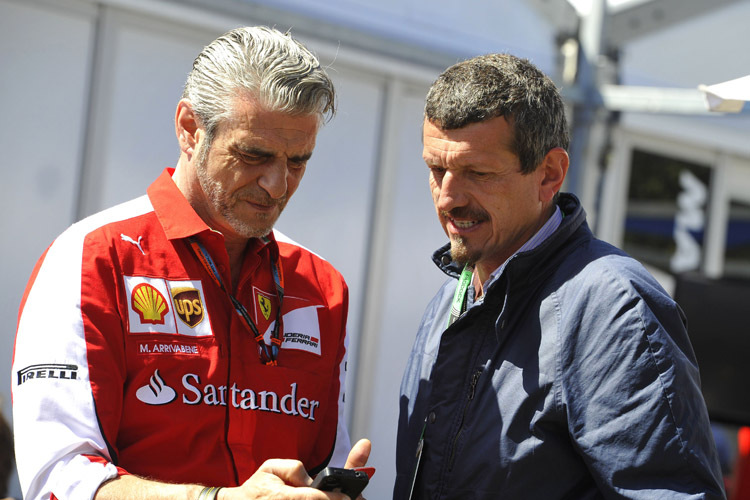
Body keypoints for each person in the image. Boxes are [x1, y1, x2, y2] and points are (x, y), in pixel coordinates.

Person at [12, 26, 370, 500]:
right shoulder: (92, 259)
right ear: (189, 128)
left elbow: (323, 461)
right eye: (253, 154)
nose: (277, 184)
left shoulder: (322, 287)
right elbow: (58, 476)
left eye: (298, 161)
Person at [394, 53, 725, 499]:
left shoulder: (613, 308)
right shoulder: (454, 297)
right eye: (437, 170)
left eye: (477, 173)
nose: (447, 197)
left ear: (550, 174)